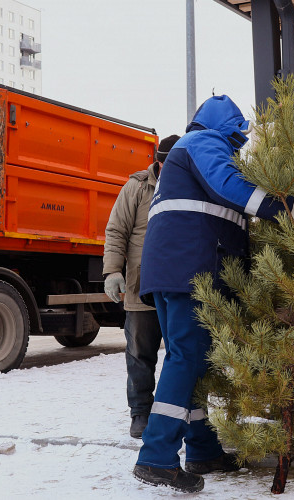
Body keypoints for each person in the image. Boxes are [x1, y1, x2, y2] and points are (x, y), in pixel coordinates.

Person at [132, 95, 294, 493]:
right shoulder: (204, 142)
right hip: (189, 273)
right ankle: (156, 457)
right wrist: (290, 208)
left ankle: (203, 448)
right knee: (186, 358)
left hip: (176, 270)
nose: (239, 148)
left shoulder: (187, 153)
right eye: (237, 139)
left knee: (194, 363)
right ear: (227, 128)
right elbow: (229, 185)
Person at [103, 134, 181, 439]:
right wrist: (112, 271)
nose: (167, 168)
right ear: (157, 161)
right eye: (163, 162)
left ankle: (173, 412)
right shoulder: (136, 188)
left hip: (175, 286)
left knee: (179, 354)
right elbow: (116, 230)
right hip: (140, 285)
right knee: (139, 354)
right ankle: (140, 413)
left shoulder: (187, 185)